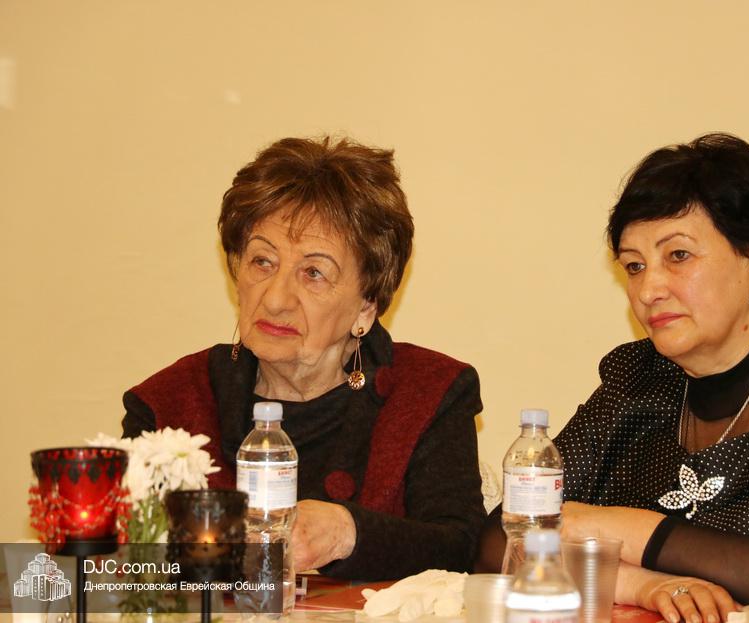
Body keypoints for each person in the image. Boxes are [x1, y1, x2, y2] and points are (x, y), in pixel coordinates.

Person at [478, 133, 749, 622]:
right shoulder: (633, 379)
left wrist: (616, 526)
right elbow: (498, 540)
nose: (648, 290)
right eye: (634, 266)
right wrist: (644, 584)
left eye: (678, 256)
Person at [122, 137, 486, 581]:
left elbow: (461, 549)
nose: (275, 299)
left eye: (314, 273)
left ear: (367, 306)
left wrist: (348, 533)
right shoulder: (170, 403)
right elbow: (130, 560)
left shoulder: (428, 392)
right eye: (262, 262)